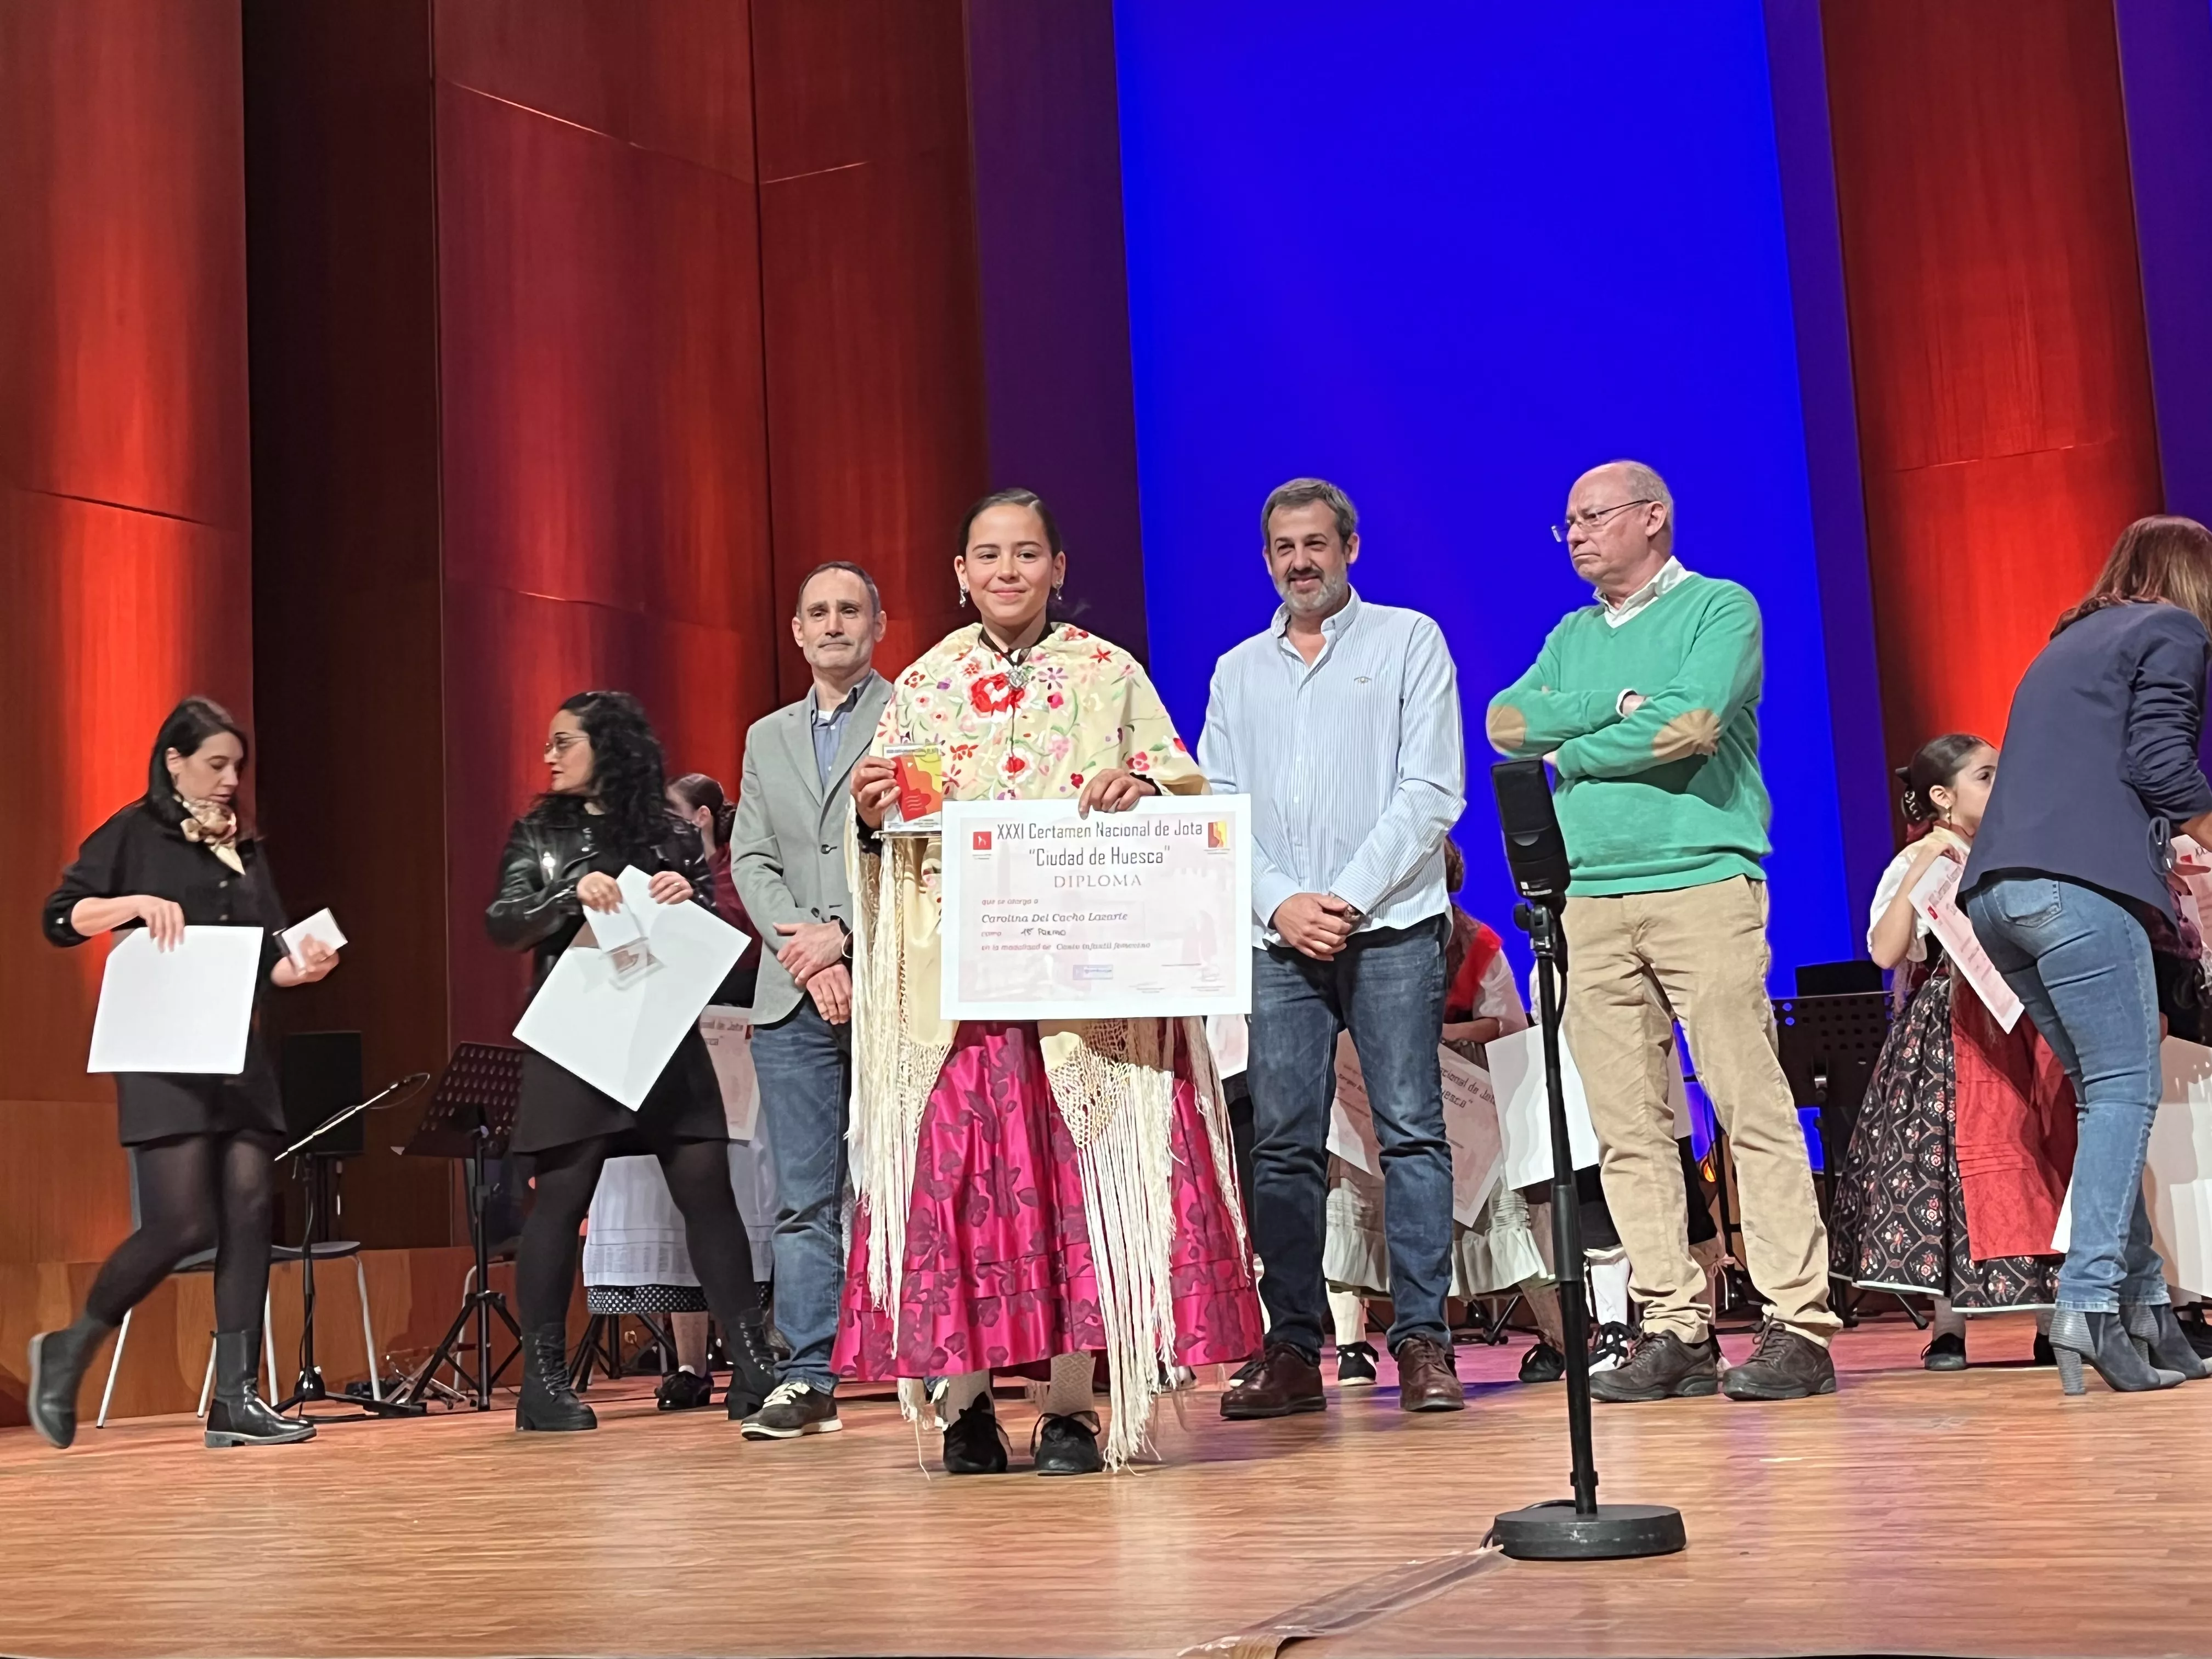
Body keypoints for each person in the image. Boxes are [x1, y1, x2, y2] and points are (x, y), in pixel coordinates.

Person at [838, 488, 1261, 1474]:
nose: (1007, 571)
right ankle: (967, 1405)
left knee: (1078, 1180)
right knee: (965, 1186)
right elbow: (889, 824)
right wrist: (868, 810)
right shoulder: (927, 683)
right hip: (960, 994)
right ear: (960, 573)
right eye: (987, 555)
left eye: (1027, 553)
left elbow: (1180, 784)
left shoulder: (1108, 673)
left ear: (1058, 567)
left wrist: (1140, 787)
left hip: (1085, 988)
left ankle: (1072, 1405)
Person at [1487, 459, 1840, 1402]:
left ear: (1652, 517)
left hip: (1699, 883)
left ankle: (1798, 1321)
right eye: (1566, 522)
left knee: (1747, 1102)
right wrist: (1612, 708)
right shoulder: (1571, 635)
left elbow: (1690, 728)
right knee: (1626, 1126)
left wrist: (1571, 747)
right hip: (1587, 899)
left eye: (1592, 516)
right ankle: (1674, 1323)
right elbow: (1507, 722)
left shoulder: (1719, 608)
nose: (1575, 534)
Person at [1200, 476, 1469, 1418]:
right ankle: (1290, 1348)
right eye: (1284, 547)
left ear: (1350, 547)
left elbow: (1431, 791)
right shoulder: (1237, 669)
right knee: (1281, 1145)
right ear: (1267, 558)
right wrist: (1281, 903)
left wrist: (1344, 900)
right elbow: (1217, 803)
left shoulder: (1409, 640)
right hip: (1279, 937)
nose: (1300, 561)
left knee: (1411, 1132)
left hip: (1389, 927)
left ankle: (1423, 1339)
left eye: (1316, 543)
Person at [28, 697, 342, 1450]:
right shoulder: (135, 831)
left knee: (248, 1212)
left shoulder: (246, 850)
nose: (230, 779)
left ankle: (236, 1399)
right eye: (215, 764)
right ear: (174, 762)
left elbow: (268, 958)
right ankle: (69, 1347)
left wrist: (301, 967)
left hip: (236, 1053)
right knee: (183, 1223)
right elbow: (60, 917)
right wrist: (132, 904)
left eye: (237, 766)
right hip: (164, 1049)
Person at [1962, 516, 2212, 1393]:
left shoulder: (2067, 644)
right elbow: (2161, 761)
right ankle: (2091, 1302)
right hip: (2077, 889)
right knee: (2125, 1095)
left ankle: (2147, 1312)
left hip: (1997, 896)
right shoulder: (2172, 629)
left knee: (2107, 1101)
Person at [487, 690, 777, 1431]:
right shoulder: (538, 832)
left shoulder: (671, 833)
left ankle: (753, 1368)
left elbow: (712, 935)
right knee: (562, 1197)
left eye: (564, 742)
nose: (549, 756)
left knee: (707, 1186)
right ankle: (543, 1385)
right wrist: (566, 893)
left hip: (661, 1028)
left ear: (608, 746)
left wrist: (690, 901)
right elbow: (504, 923)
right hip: (579, 1034)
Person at [1832, 736, 2066, 1370]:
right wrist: (1920, 869)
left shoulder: (2016, 848)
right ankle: (1947, 1326)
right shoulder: (1922, 859)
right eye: (1985, 776)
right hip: (1949, 1026)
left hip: (2021, 1018)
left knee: (2033, 1155)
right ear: (1942, 796)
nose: (2000, 785)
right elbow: (1885, 952)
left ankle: (2051, 1319)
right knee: (1942, 1167)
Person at [727, 561, 893, 1442]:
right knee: (803, 1199)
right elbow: (751, 858)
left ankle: (931, 1365)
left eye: (849, 610)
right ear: (797, 631)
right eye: (818, 612)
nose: (833, 624)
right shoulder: (767, 737)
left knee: (908, 1182)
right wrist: (808, 948)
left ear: (877, 625)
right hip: (790, 996)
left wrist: (847, 936)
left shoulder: (911, 717)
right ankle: (807, 1375)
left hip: (890, 982)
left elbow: (918, 847)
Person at [1319, 840, 1558, 1385]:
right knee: (1354, 1198)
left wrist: (1439, 1034)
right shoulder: (1362, 939)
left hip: (1464, 1100)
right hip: (1373, 1094)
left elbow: (1506, 1022)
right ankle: (1354, 1347)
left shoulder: (1477, 944)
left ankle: (1556, 1339)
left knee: (1503, 1211)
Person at [668, 772, 761, 1007]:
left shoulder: (742, 867)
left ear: (702, 816)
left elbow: (745, 942)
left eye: (672, 811)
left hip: (735, 997)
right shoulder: (662, 867)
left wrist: (694, 901)